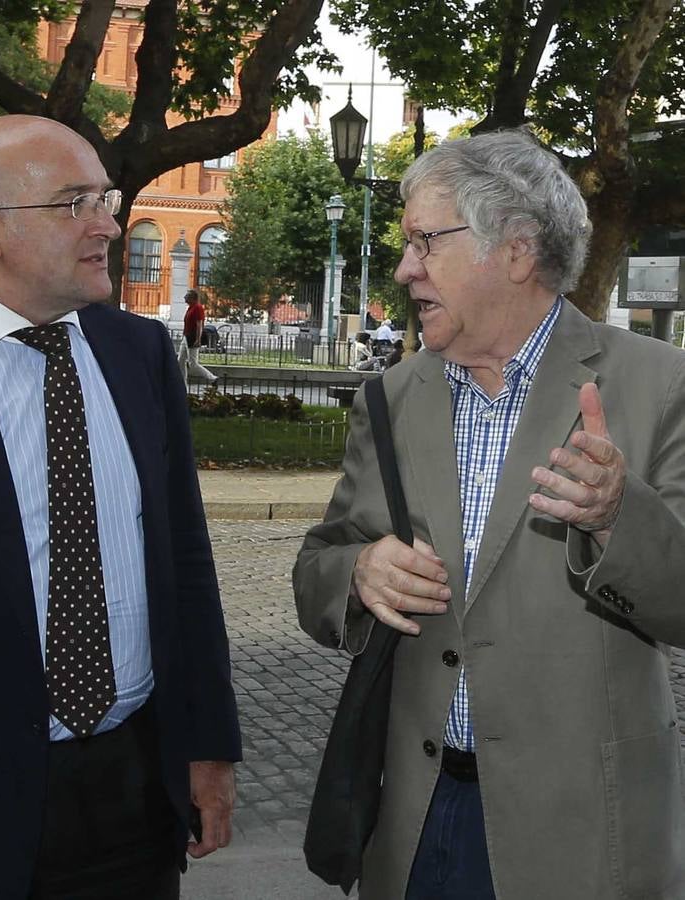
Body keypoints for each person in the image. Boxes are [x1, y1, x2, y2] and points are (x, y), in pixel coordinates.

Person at [294, 128, 685, 900]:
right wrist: (359, 572)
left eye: (423, 243)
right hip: (413, 819)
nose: (405, 270)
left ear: (514, 250)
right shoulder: (393, 396)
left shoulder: (659, 384)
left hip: (579, 828)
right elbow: (320, 565)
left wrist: (616, 517)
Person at [0, 115, 240, 900]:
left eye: (104, 199)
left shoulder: (139, 355)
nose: (108, 224)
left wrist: (208, 750)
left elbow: (186, 562)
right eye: (76, 202)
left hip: (135, 793)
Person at [178, 289, 218, 390]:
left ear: (192, 298)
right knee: (180, 360)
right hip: (186, 337)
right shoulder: (191, 307)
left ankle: (213, 378)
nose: (184, 297)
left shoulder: (198, 308)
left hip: (192, 337)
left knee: (193, 364)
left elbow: (199, 324)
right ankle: (182, 384)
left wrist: (198, 339)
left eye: (187, 296)